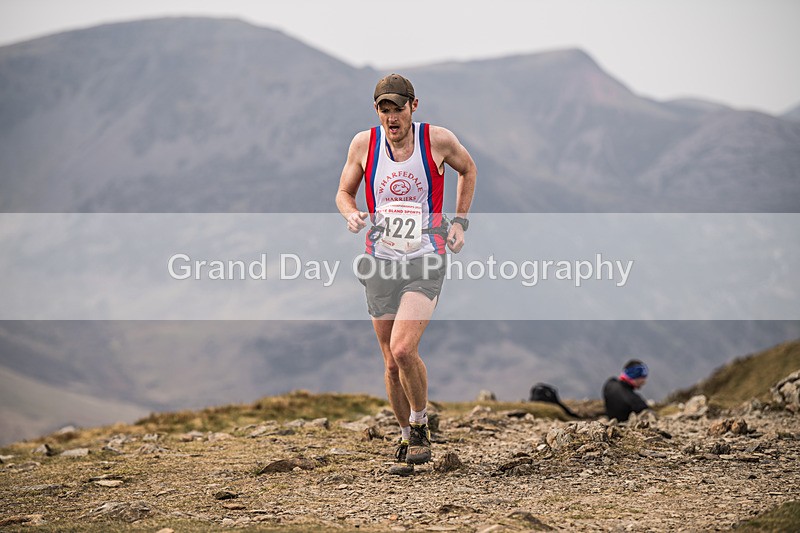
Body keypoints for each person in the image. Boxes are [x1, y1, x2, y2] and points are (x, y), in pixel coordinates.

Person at [335, 73, 477, 467]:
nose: (392, 116)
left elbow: (468, 170)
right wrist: (351, 214)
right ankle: (403, 435)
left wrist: (460, 222)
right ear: (377, 111)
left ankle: (419, 425)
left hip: (425, 256)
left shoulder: (437, 140)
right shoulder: (364, 144)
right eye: (385, 109)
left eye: (398, 107)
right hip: (379, 258)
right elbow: (344, 191)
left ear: (414, 106)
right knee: (390, 361)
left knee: (403, 347)